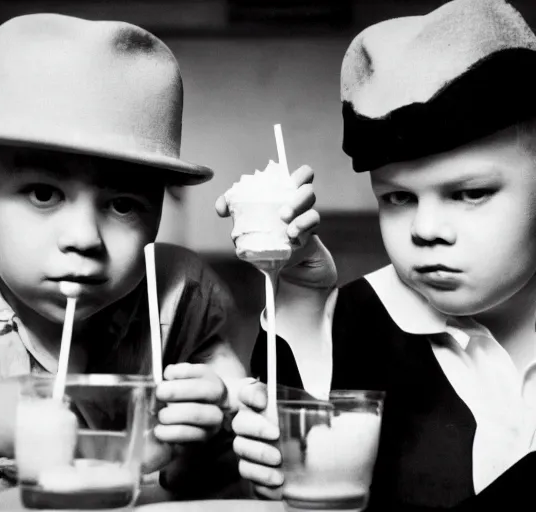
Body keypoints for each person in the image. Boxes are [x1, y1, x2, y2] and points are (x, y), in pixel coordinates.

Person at [0, 13, 257, 506]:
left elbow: (235, 483)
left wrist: (206, 451)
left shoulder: (184, 297)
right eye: (42, 193)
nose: (83, 238)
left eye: (123, 204)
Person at [219, 0, 536, 510]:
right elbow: (291, 465)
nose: (426, 230)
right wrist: (300, 300)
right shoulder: (352, 322)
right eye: (398, 198)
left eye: (470, 192)